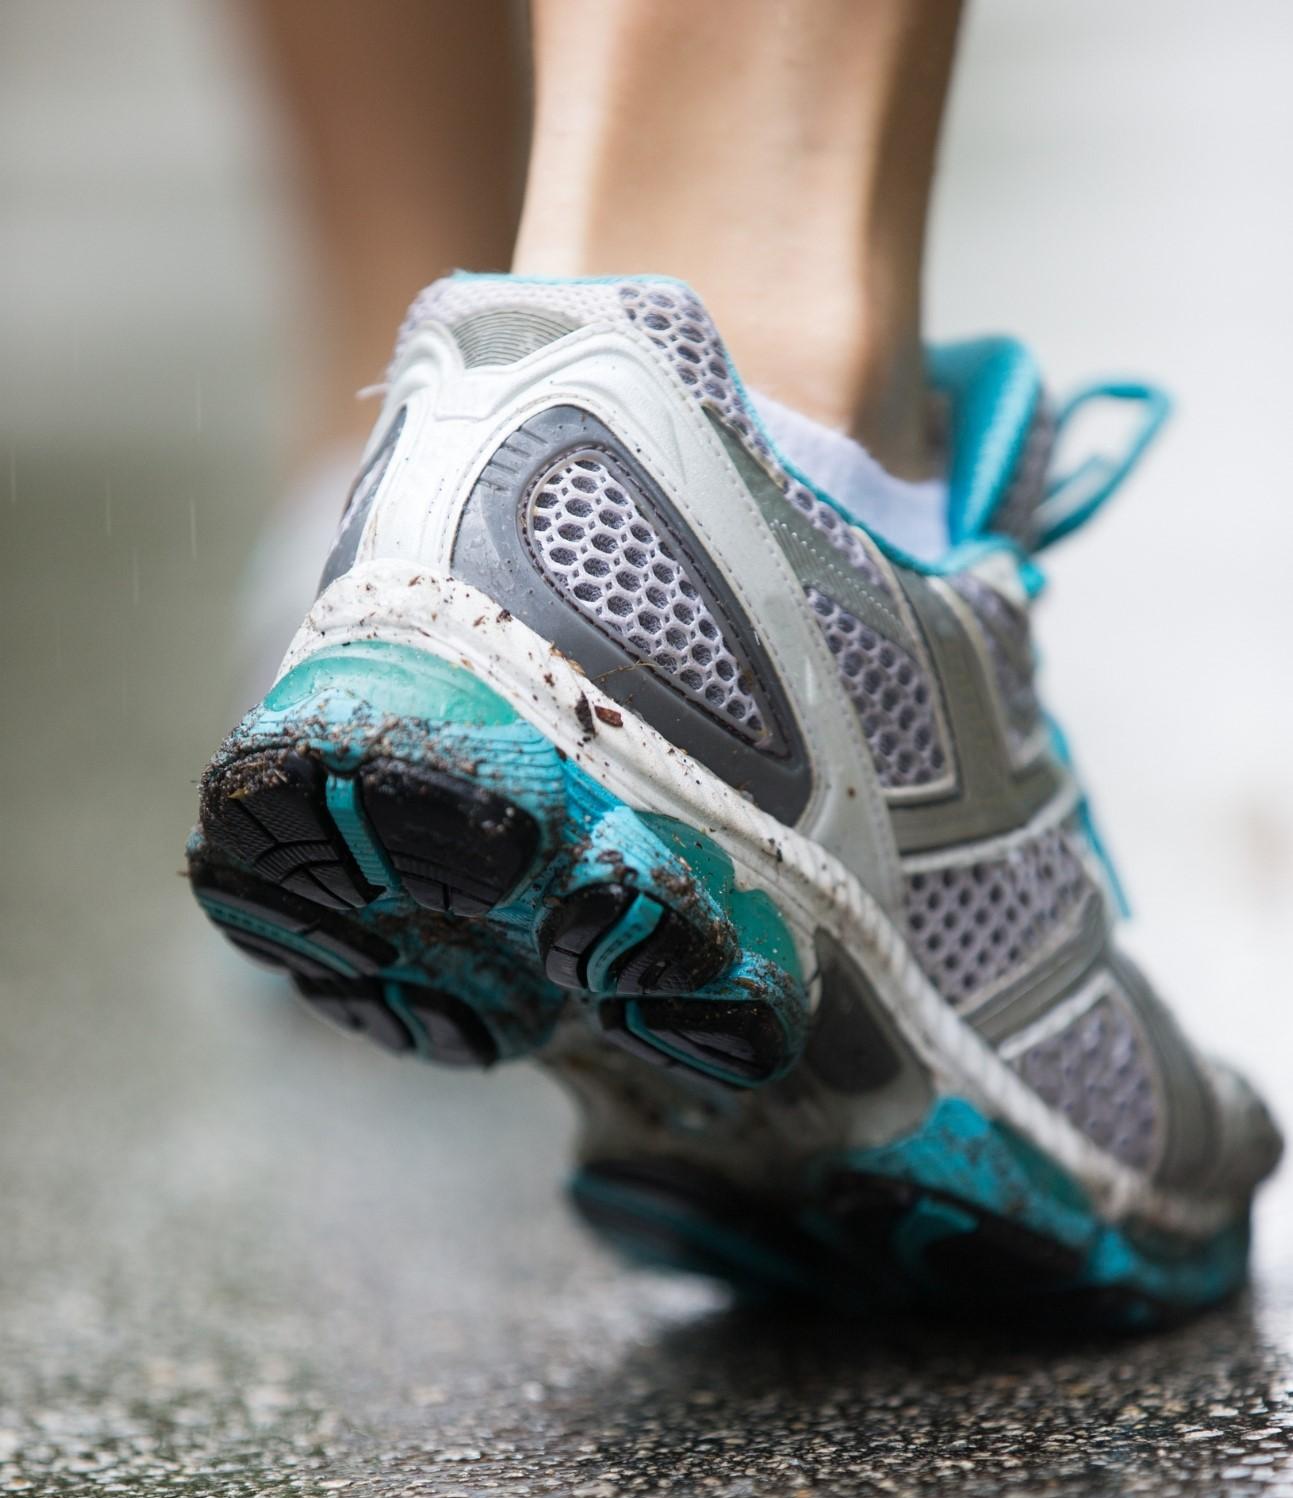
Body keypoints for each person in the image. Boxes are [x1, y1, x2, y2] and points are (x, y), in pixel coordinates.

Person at [199, 0, 1280, 1322]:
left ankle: (413, 498)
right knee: (710, 263)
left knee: (441, 285)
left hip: (418, 510)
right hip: (674, 543)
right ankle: (757, 434)